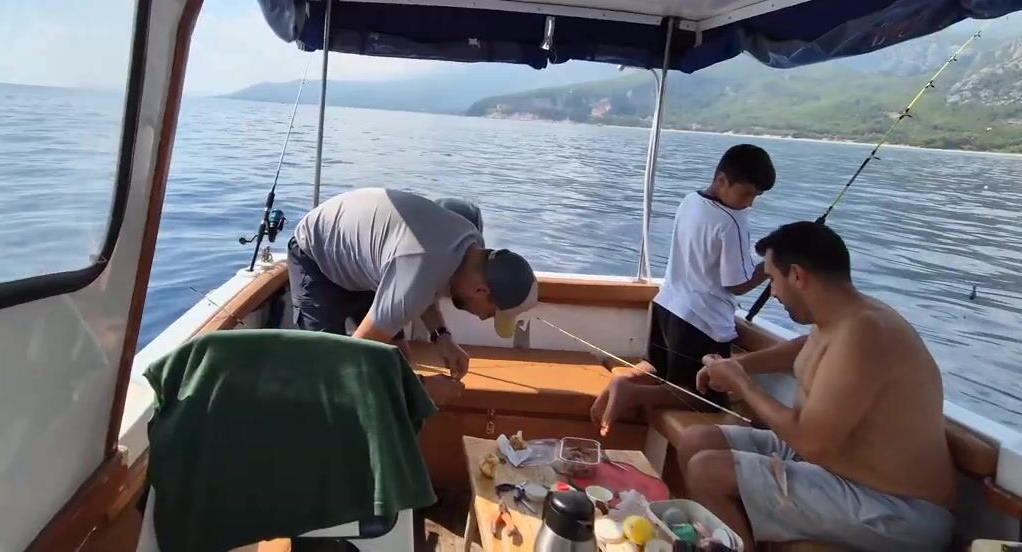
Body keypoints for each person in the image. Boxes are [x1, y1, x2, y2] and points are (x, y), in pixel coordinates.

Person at [678, 221, 956, 551]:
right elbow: (804, 347)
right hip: (836, 468)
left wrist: (741, 383)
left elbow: (811, 442)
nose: (772, 292)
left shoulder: (865, 334)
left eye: (772, 279)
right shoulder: (842, 316)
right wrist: (739, 365)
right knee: (694, 441)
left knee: (707, 471)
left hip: (895, 509)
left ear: (797, 275)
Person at [590, 144, 775, 433]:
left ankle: (624, 381)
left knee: (658, 369)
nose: (750, 203)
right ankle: (630, 392)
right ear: (722, 180)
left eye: (756, 197)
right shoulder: (732, 221)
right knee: (706, 399)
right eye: (746, 194)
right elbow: (737, 284)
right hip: (702, 321)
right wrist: (770, 265)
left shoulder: (690, 200)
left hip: (667, 306)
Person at [287, 188, 538, 399]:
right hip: (318, 253)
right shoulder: (419, 269)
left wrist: (442, 337)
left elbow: (429, 284)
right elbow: (355, 356)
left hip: (368, 264)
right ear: (481, 290)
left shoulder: (472, 247)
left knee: (400, 359)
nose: (483, 318)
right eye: (491, 314)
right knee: (327, 373)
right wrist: (423, 388)